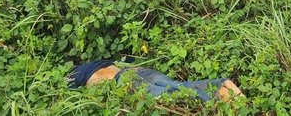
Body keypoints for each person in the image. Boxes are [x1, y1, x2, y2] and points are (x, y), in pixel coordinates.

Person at [67, 59, 245, 103]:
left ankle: (216, 98)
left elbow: (70, 94)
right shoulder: (99, 62)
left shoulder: (73, 76)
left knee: (173, 95)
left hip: (123, 80)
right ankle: (223, 85)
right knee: (180, 87)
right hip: (135, 70)